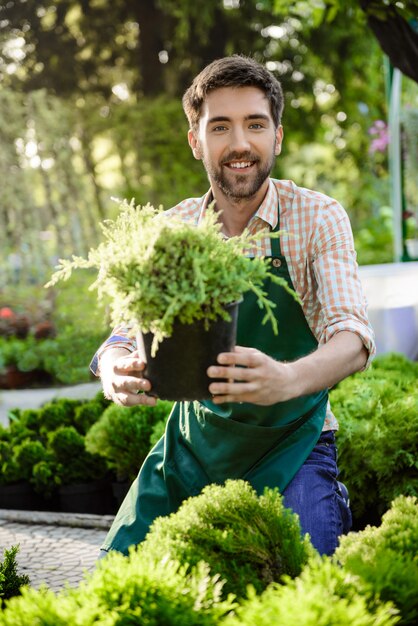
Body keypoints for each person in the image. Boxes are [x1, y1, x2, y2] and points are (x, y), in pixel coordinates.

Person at [91, 55, 375, 558]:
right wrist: (115, 367)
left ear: (278, 137)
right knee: (116, 583)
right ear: (196, 141)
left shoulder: (318, 216)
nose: (240, 143)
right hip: (192, 449)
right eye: (220, 126)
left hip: (295, 445)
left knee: (306, 579)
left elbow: (351, 338)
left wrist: (285, 380)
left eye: (255, 125)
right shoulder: (172, 230)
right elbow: (124, 330)